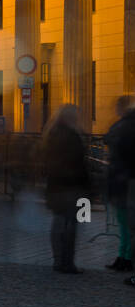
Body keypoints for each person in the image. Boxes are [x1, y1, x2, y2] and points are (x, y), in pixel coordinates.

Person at [42, 104, 90, 274]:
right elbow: (78, 163)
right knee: (72, 224)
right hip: (72, 186)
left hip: (56, 184)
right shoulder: (71, 135)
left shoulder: (51, 134)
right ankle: (67, 262)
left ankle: (58, 260)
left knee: (59, 222)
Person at [103, 96, 135, 273]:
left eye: (117, 106)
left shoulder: (125, 125)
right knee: (124, 222)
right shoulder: (124, 124)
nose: (114, 109)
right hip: (123, 179)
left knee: (126, 223)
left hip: (125, 180)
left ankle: (126, 257)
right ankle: (123, 256)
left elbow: (112, 140)